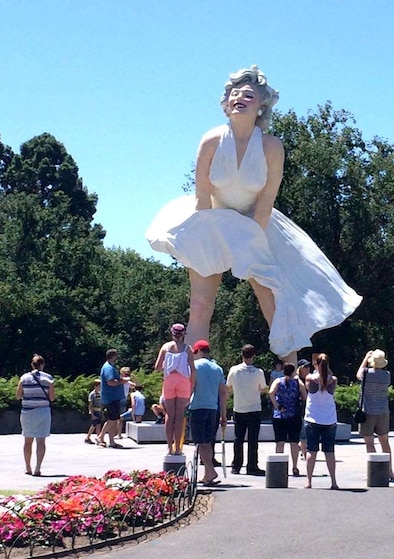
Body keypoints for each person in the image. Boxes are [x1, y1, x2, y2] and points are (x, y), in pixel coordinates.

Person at [145, 65, 362, 360]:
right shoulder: (211, 140)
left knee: (272, 298)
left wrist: (247, 246)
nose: (239, 98)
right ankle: (194, 373)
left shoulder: (272, 147)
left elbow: (266, 201)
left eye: (248, 94)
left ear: (261, 105)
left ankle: (291, 369)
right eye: (234, 93)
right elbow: (202, 197)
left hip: (255, 225)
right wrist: (210, 243)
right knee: (200, 304)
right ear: (226, 102)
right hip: (211, 221)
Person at [153, 323, 196, 455]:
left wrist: (167, 364)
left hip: (169, 380)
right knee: (180, 416)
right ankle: (178, 447)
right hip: (183, 381)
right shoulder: (187, 349)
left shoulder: (165, 347)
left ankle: (169, 448)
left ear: (172, 333)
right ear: (183, 334)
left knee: (169, 415)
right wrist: (191, 388)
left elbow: (157, 367)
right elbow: (193, 370)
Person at [190, 340, 228, 485]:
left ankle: (211, 470)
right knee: (208, 442)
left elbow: (191, 386)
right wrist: (223, 414)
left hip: (198, 406)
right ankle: (207, 474)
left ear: (199, 351)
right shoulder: (217, 368)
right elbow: (223, 393)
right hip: (213, 408)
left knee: (200, 442)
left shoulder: (195, 366)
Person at [356, 349, 394, 480]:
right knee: (385, 442)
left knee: (369, 443)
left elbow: (358, 374)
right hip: (383, 411)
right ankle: (389, 471)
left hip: (368, 411)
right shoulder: (387, 375)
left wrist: (365, 359)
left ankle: (373, 470)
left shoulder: (366, 373)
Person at [227, 343, 266, 475]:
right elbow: (263, 388)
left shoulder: (234, 370)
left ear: (242, 355)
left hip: (239, 407)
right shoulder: (258, 372)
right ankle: (252, 466)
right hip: (254, 407)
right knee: (253, 439)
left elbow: (229, 387)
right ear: (253, 356)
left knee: (238, 438)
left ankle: (236, 465)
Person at [304, 353, 340, 489]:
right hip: (329, 419)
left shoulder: (310, 379)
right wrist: (327, 370)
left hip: (312, 418)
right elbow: (328, 379)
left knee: (311, 451)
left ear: (316, 365)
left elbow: (308, 388)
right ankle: (333, 482)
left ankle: (308, 481)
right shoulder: (333, 380)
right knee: (329, 452)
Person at [16, 355, 55, 476]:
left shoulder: (24, 378)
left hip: (27, 412)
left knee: (27, 441)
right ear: (42, 365)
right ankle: (37, 468)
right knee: (41, 441)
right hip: (42, 411)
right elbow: (52, 398)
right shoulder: (48, 378)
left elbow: (18, 395)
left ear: (32, 365)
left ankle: (28, 467)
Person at [269, 362, 306, 477]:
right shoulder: (297, 382)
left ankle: (278, 467)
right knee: (294, 443)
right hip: (294, 415)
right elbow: (305, 395)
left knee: (280, 442)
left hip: (279, 415)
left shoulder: (278, 381)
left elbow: (271, 392)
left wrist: (277, 406)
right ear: (293, 371)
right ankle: (295, 467)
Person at [98, 349, 128, 449]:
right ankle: (100, 437)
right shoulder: (108, 368)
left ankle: (112, 442)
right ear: (113, 356)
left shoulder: (109, 367)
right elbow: (110, 382)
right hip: (111, 398)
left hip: (112, 397)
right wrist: (122, 381)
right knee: (112, 419)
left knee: (113, 419)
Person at [296, 359, 311, 457]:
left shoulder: (310, 378)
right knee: (303, 431)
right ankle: (304, 451)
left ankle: (302, 448)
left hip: (308, 407)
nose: (308, 369)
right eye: (306, 367)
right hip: (299, 408)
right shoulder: (297, 380)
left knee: (305, 430)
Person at [85, 379, 102, 444]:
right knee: (94, 425)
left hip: (99, 411)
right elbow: (90, 405)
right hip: (94, 411)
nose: (100, 388)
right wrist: (92, 414)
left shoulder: (100, 393)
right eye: (99, 386)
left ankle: (98, 437)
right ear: (95, 386)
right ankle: (88, 437)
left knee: (98, 425)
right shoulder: (92, 394)